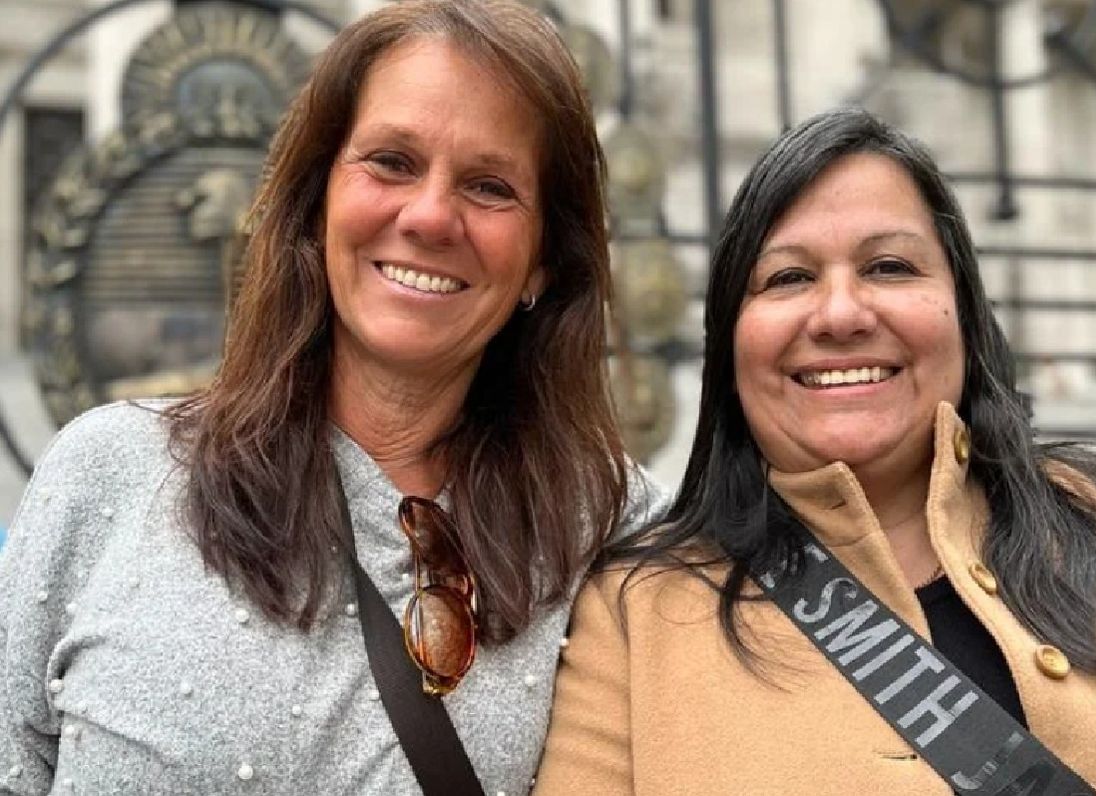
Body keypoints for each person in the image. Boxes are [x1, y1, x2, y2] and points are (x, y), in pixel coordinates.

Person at [0, 1, 666, 793]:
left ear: (542, 264)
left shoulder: (610, 533)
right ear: (316, 203)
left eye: (489, 186)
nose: (427, 215)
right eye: (390, 161)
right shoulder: (105, 474)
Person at [535, 108, 1096, 795]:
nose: (842, 314)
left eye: (889, 266)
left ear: (964, 314)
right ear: (729, 343)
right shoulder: (633, 619)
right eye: (788, 278)